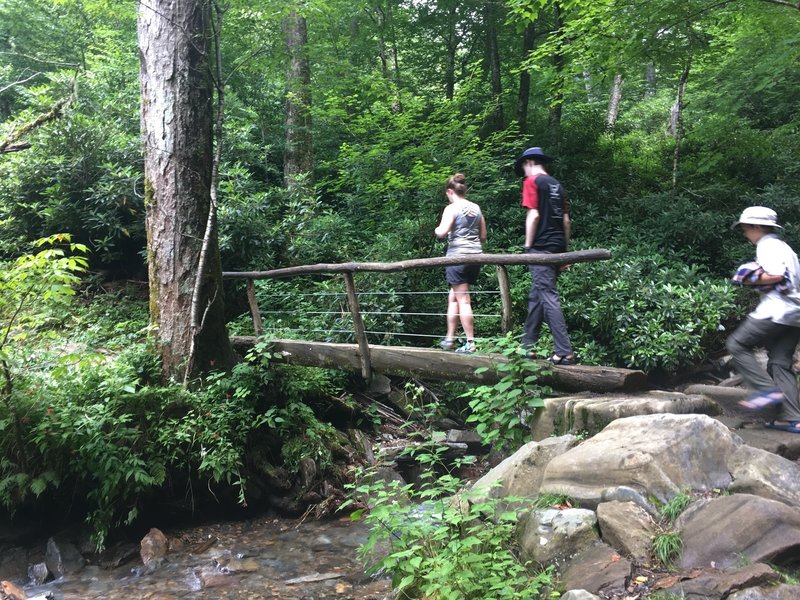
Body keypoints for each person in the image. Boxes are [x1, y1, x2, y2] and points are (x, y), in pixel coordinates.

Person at [728, 206, 800, 432]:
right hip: (796, 315)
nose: (744, 234)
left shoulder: (767, 245)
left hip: (776, 311)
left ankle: (766, 390)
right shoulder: (786, 249)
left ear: (756, 227)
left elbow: (777, 275)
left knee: (736, 344)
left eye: (745, 229)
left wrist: (747, 280)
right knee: (780, 362)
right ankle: (792, 418)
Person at [514, 146, 576, 364]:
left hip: (540, 247)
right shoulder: (557, 185)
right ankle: (527, 347)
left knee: (548, 296)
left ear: (529, 162)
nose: (523, 171)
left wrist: (528, 246)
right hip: (557, 245)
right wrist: (564, 253)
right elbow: (566, 221)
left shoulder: (532, 182)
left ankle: (564, 352)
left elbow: (534, 215)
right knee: (537, 296)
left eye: (523, 166)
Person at [434, 173, 487, 353]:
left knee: (463, 300)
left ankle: (470, 344)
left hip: (458, 257)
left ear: (450, 191)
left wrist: (436, 228)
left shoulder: (452, 208)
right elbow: (483, 236)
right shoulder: (476, 208)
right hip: (476, 256)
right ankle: (449, 339)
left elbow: (441, 232)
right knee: (454, 296)